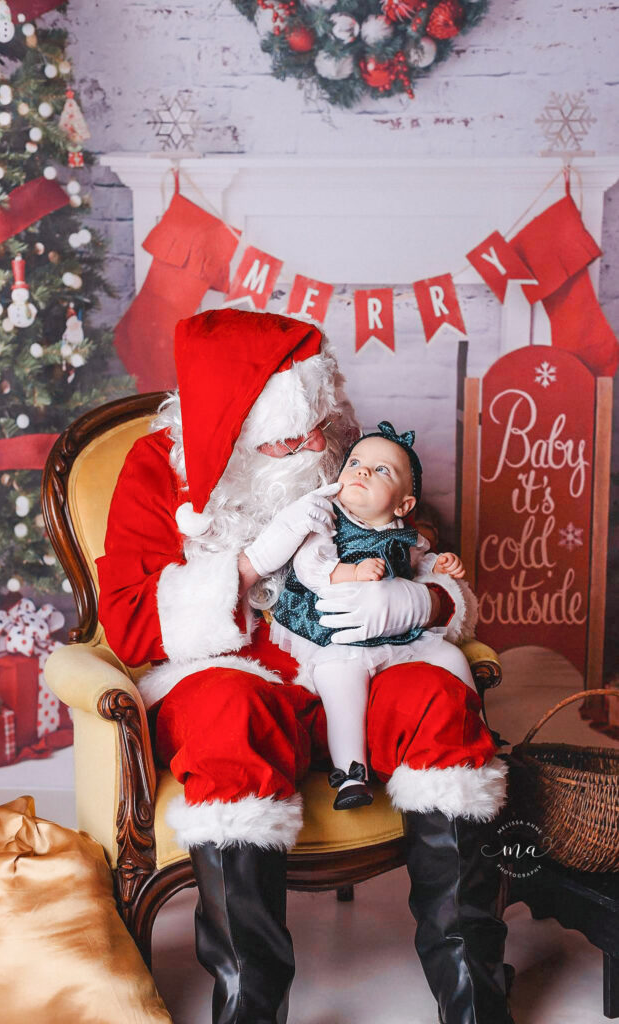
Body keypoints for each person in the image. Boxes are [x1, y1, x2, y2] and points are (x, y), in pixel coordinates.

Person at [97, 308, 513, 1024]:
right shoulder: (155, 470)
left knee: (437, 695)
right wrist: (249, 564)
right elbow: (130, 622)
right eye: (296, 436)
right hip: (237, 678)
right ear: (237, 436)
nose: (320, 445)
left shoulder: (342, 450)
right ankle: (250, 1005)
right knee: (227, 713)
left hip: (352, 674)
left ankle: (474, 995)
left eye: (324, 424)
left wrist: (426, 603)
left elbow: (417, 545)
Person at [255, 421, 472, 811]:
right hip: (337, 638)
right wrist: (350, 573)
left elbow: (424, 566)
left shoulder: (406, 534)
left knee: (450, 657)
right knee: (342, 684)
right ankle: (350, 774)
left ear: (403, 505)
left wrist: (444, 565)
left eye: (382, 470)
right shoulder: (326, 522)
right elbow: (310, 566)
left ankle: (477, 729)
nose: (363, 471)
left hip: (394, 636)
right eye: (355, 462)